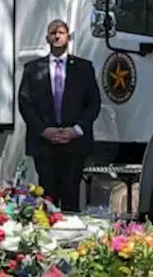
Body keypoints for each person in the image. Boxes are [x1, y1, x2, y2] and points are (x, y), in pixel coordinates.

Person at [18, 19, 101, 212]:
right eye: (53, 33)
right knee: (47, 198)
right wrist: (43, 130)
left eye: (61, 32)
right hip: (45, 144)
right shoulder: (33, 69)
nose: (57, 36)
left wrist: (76, 130)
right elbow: (25, 103)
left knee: (71, 195)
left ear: (68, 37)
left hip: (74, 144)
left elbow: (94, 103)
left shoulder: (83, 68)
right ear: (47, 38)